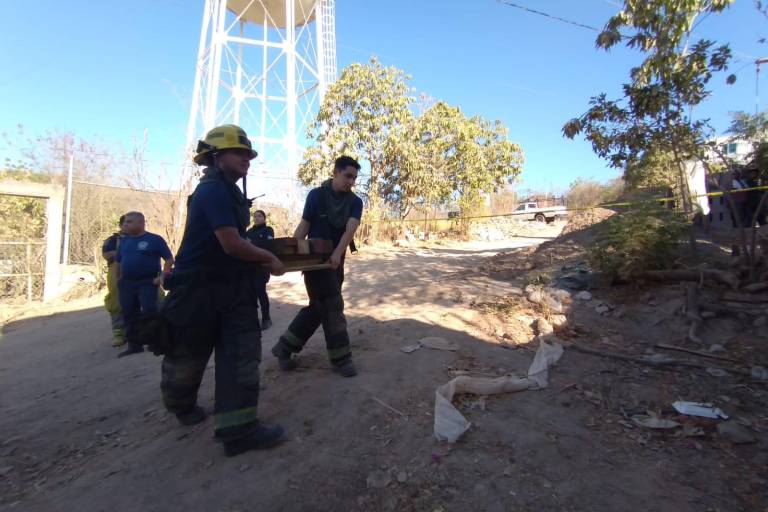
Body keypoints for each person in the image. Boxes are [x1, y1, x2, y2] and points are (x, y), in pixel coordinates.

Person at [159, 124, 286, 457]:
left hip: (227, 289)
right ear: (215, 157)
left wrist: (255, 257)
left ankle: (236, 428)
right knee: (191, 354)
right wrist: (268, 257)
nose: (246, 158)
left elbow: (235, 243)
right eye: (238, 152)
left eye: (248, 153)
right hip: (201, 290)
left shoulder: (226, 190)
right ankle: (188, 408)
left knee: (237, 355)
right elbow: (231, 244)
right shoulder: (213, 191)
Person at [271, 155, 363, 378]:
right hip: (314, 262)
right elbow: (304, 226)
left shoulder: (355, 202)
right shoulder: (316, 196)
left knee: (319, 307)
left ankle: (285, 347)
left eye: (354, 178)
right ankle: (341, 358)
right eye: (347, 176)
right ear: (335, 173)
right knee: (332, 304)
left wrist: (336, 255)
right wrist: (288, 256)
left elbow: (350, 230)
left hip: (335, 259)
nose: (351, 181)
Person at [116, 211, 174, 358]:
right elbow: (119, 260)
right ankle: (134, 345)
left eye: (129, 221)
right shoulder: (124, 241)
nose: (125, 224)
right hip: (127, 282)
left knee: (149, 311)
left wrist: (162, 276)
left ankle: (155, 341)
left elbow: (169, 259)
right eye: (125, 222)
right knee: (128, 312)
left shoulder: (154, 240)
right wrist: (119, 278)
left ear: (140, 223)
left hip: (147, 281)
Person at [245, 210, 275, 330]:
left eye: (259, 216)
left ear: (264, 218)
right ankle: (252, 318)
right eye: (255, 216)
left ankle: (266, 318)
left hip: (262, 266)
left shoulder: (268, 230)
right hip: (249, 266)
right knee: (249, 293)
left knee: (260, 291)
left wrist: (251, 244)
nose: (256, 218)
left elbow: (268, 245)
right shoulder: (249, 232)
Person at [102, 214, 126, 347]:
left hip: (142, 273)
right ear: (121, 225)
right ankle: (119, 333)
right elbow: (107, 254)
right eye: (126, 222)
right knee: (116, 301)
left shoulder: (147, 238)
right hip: (117, 271)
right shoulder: (113, 240)